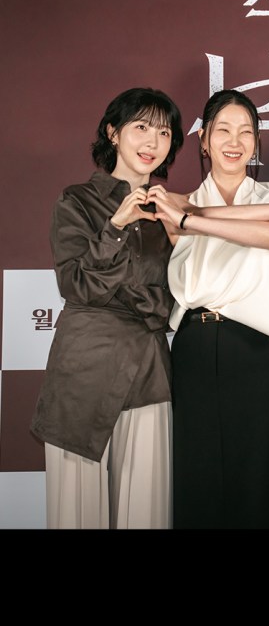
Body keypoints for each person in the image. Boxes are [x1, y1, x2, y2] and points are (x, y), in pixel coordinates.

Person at [150, 88, 269, 529]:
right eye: (223, 130)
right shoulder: (175, 201)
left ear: (256, 142)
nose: (234, 141)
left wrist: (194, 222)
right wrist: (189, 216)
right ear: (204, 140)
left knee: (259, 480)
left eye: (246, 132)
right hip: (196, 347)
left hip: (259, 351)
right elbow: (184, 217)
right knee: (198, 478)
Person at [30, 86, 184, 529]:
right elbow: (75, 284)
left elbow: (177, 296)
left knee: (146, 514)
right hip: (84, 371)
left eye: (164, 132)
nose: (153, 142)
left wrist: (129, 293)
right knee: (76, 514)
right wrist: (116, 227)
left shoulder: (172, 211)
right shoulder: (76, 200)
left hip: (149, 373)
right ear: (113, 133)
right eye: (142, 127)